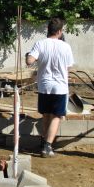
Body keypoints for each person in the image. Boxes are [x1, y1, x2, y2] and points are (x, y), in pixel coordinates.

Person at [25, 18, 74, 158]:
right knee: (57, 116)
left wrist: (29, 56)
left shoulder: (40, 43)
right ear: (59, 31)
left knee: (46, 114)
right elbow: (69, 67)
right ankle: (47, 146)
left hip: (44, 85)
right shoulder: (66, 46)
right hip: (60, 87)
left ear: (48, 30)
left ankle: (44, 141)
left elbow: (29, 61)